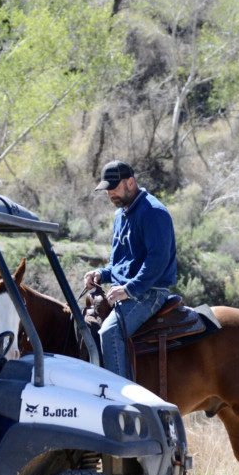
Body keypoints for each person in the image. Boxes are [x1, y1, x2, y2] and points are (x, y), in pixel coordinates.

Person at [83, 160, 177, 380]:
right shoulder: (120, 215)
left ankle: (121, 399)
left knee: (110, 332)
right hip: (128, 291)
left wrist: (128, 289)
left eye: (114, 188)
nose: (110, 194)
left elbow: (157, 260)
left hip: (151, 292)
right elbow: (119, 262)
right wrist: (101, 274)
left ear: (131, 182)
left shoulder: (154, 212)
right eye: (107, 190)